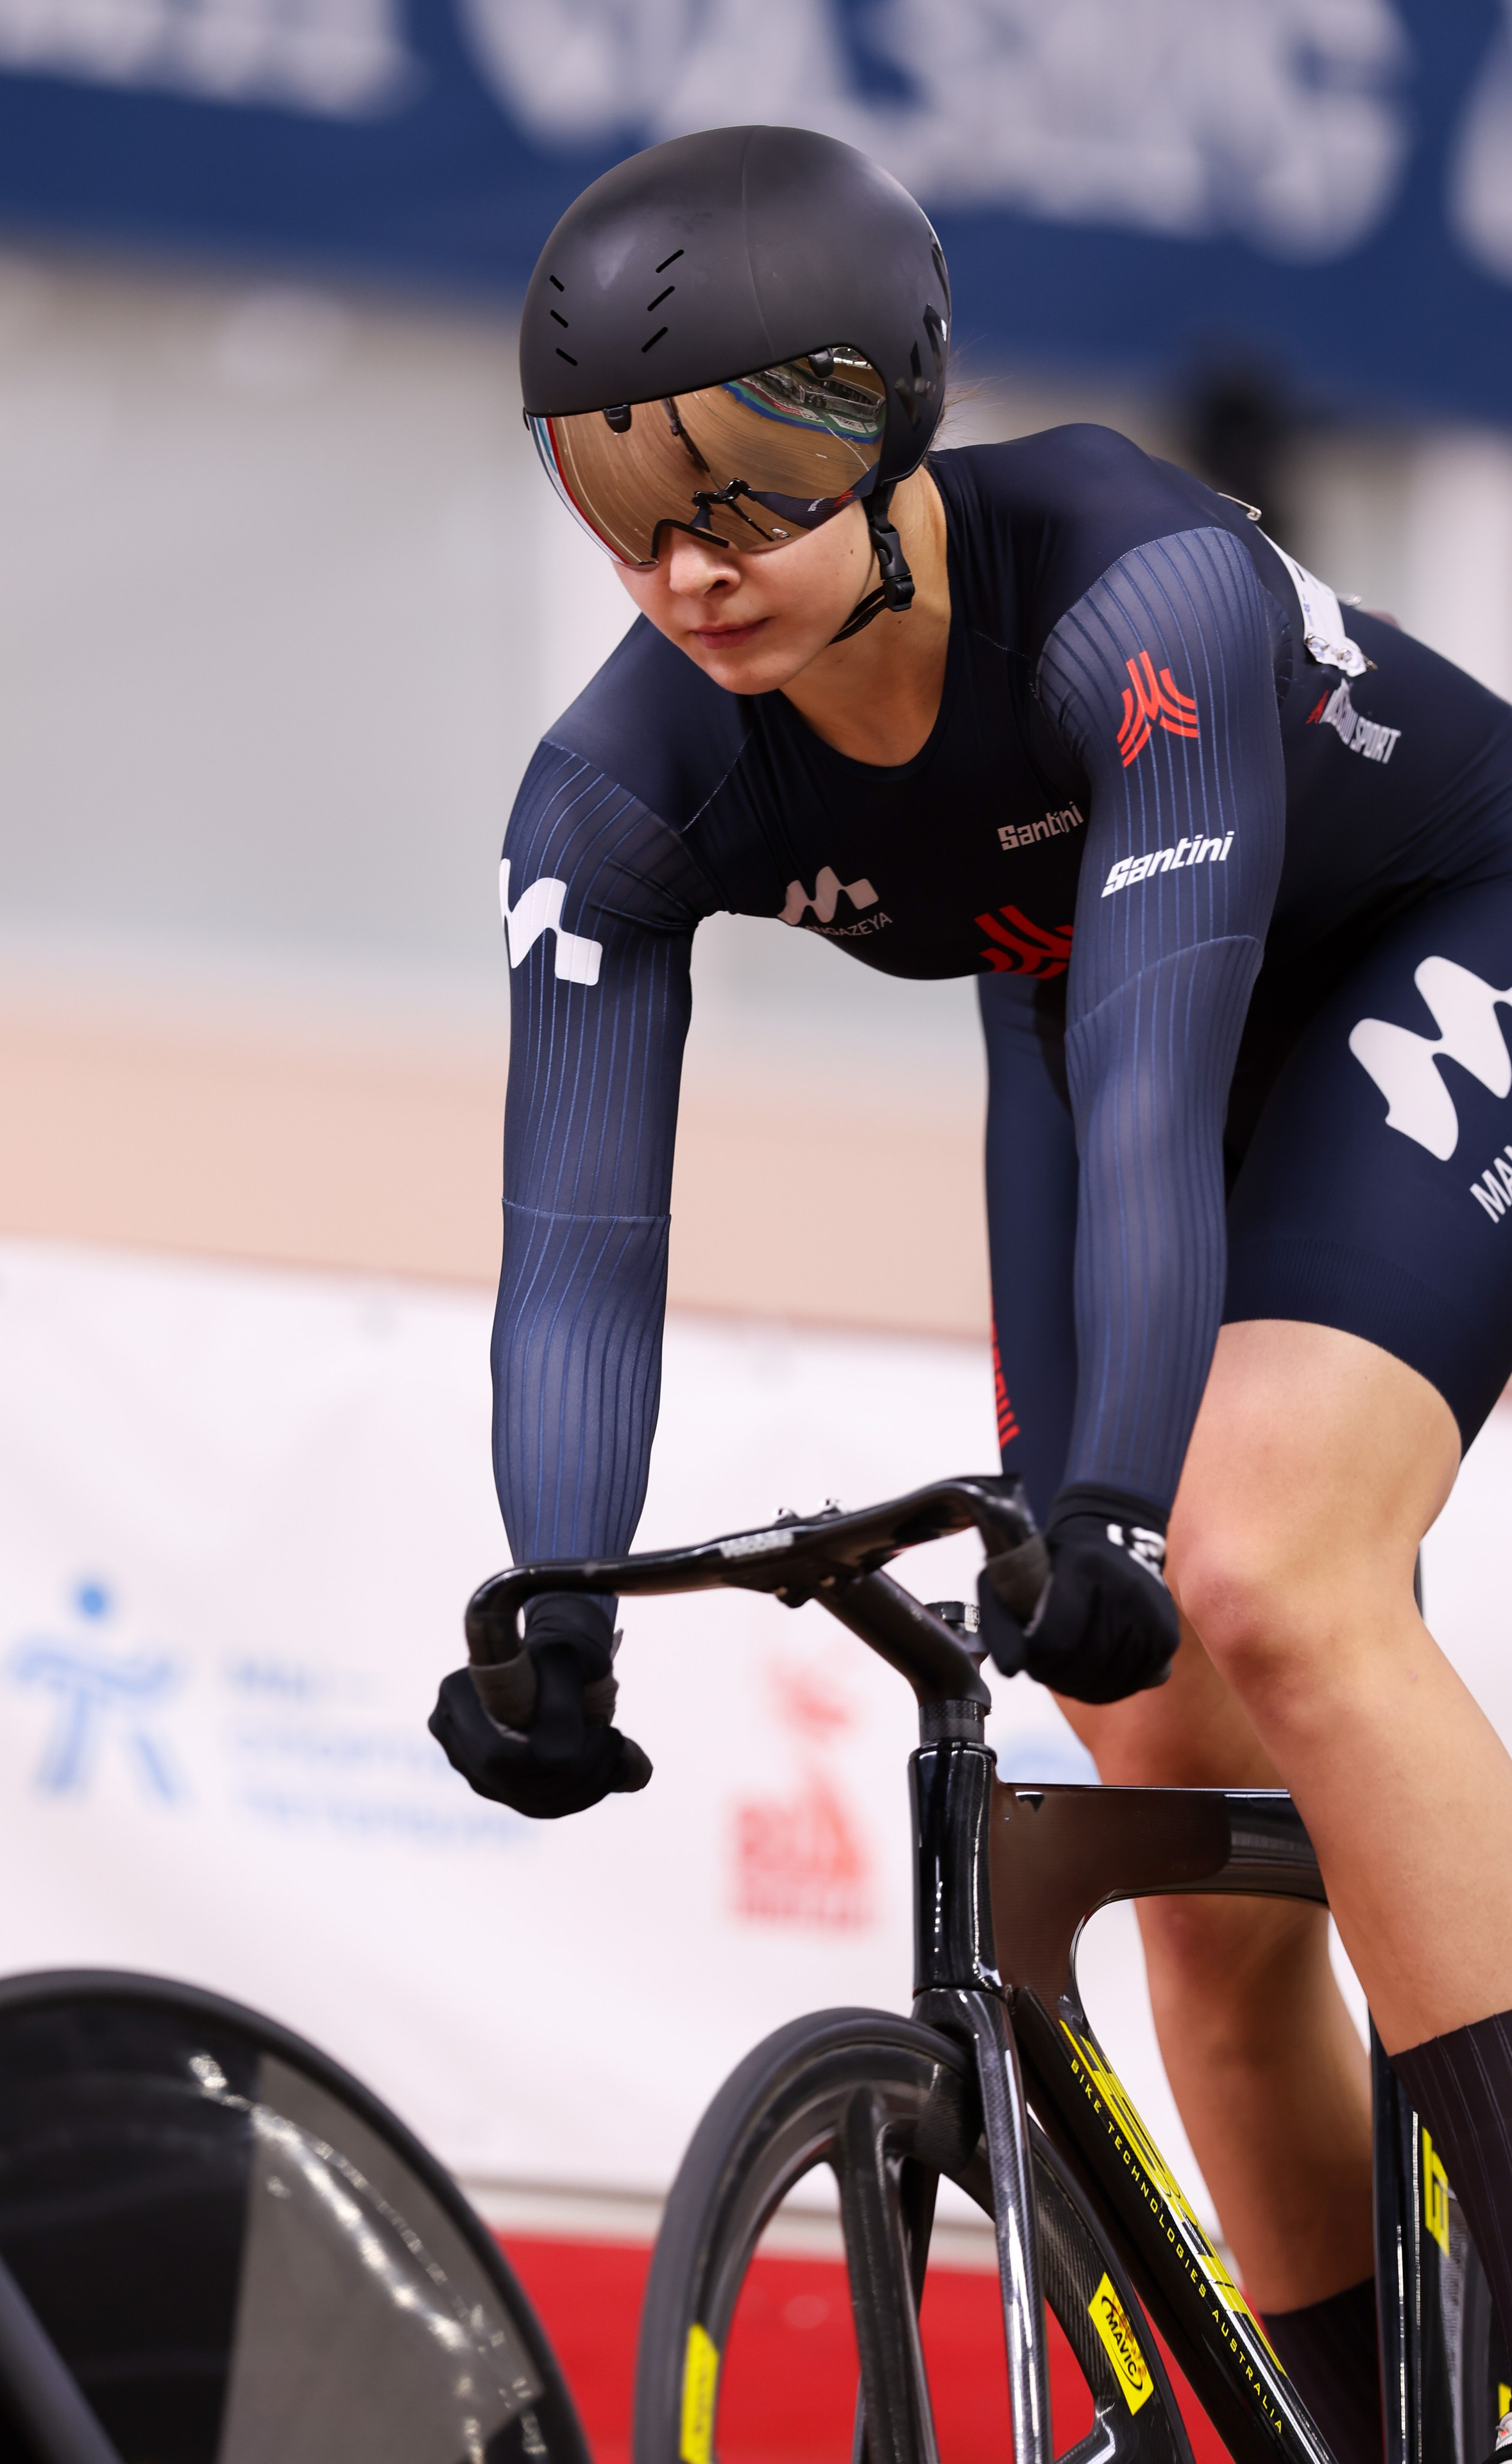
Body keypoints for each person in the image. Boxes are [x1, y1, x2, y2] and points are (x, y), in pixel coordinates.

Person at [430, 123, 1512, 2454]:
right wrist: (551, 1602)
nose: (686, 567)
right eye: (621, 505)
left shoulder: (1137, 590)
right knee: (1168, 1790)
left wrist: (1117, 1498)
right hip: (1092, 998)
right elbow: (581, 1241)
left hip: (1427, 928)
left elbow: (1153, 1093)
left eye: (742, 488)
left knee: (1263, 1568)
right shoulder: (615, 789)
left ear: (897, 427)